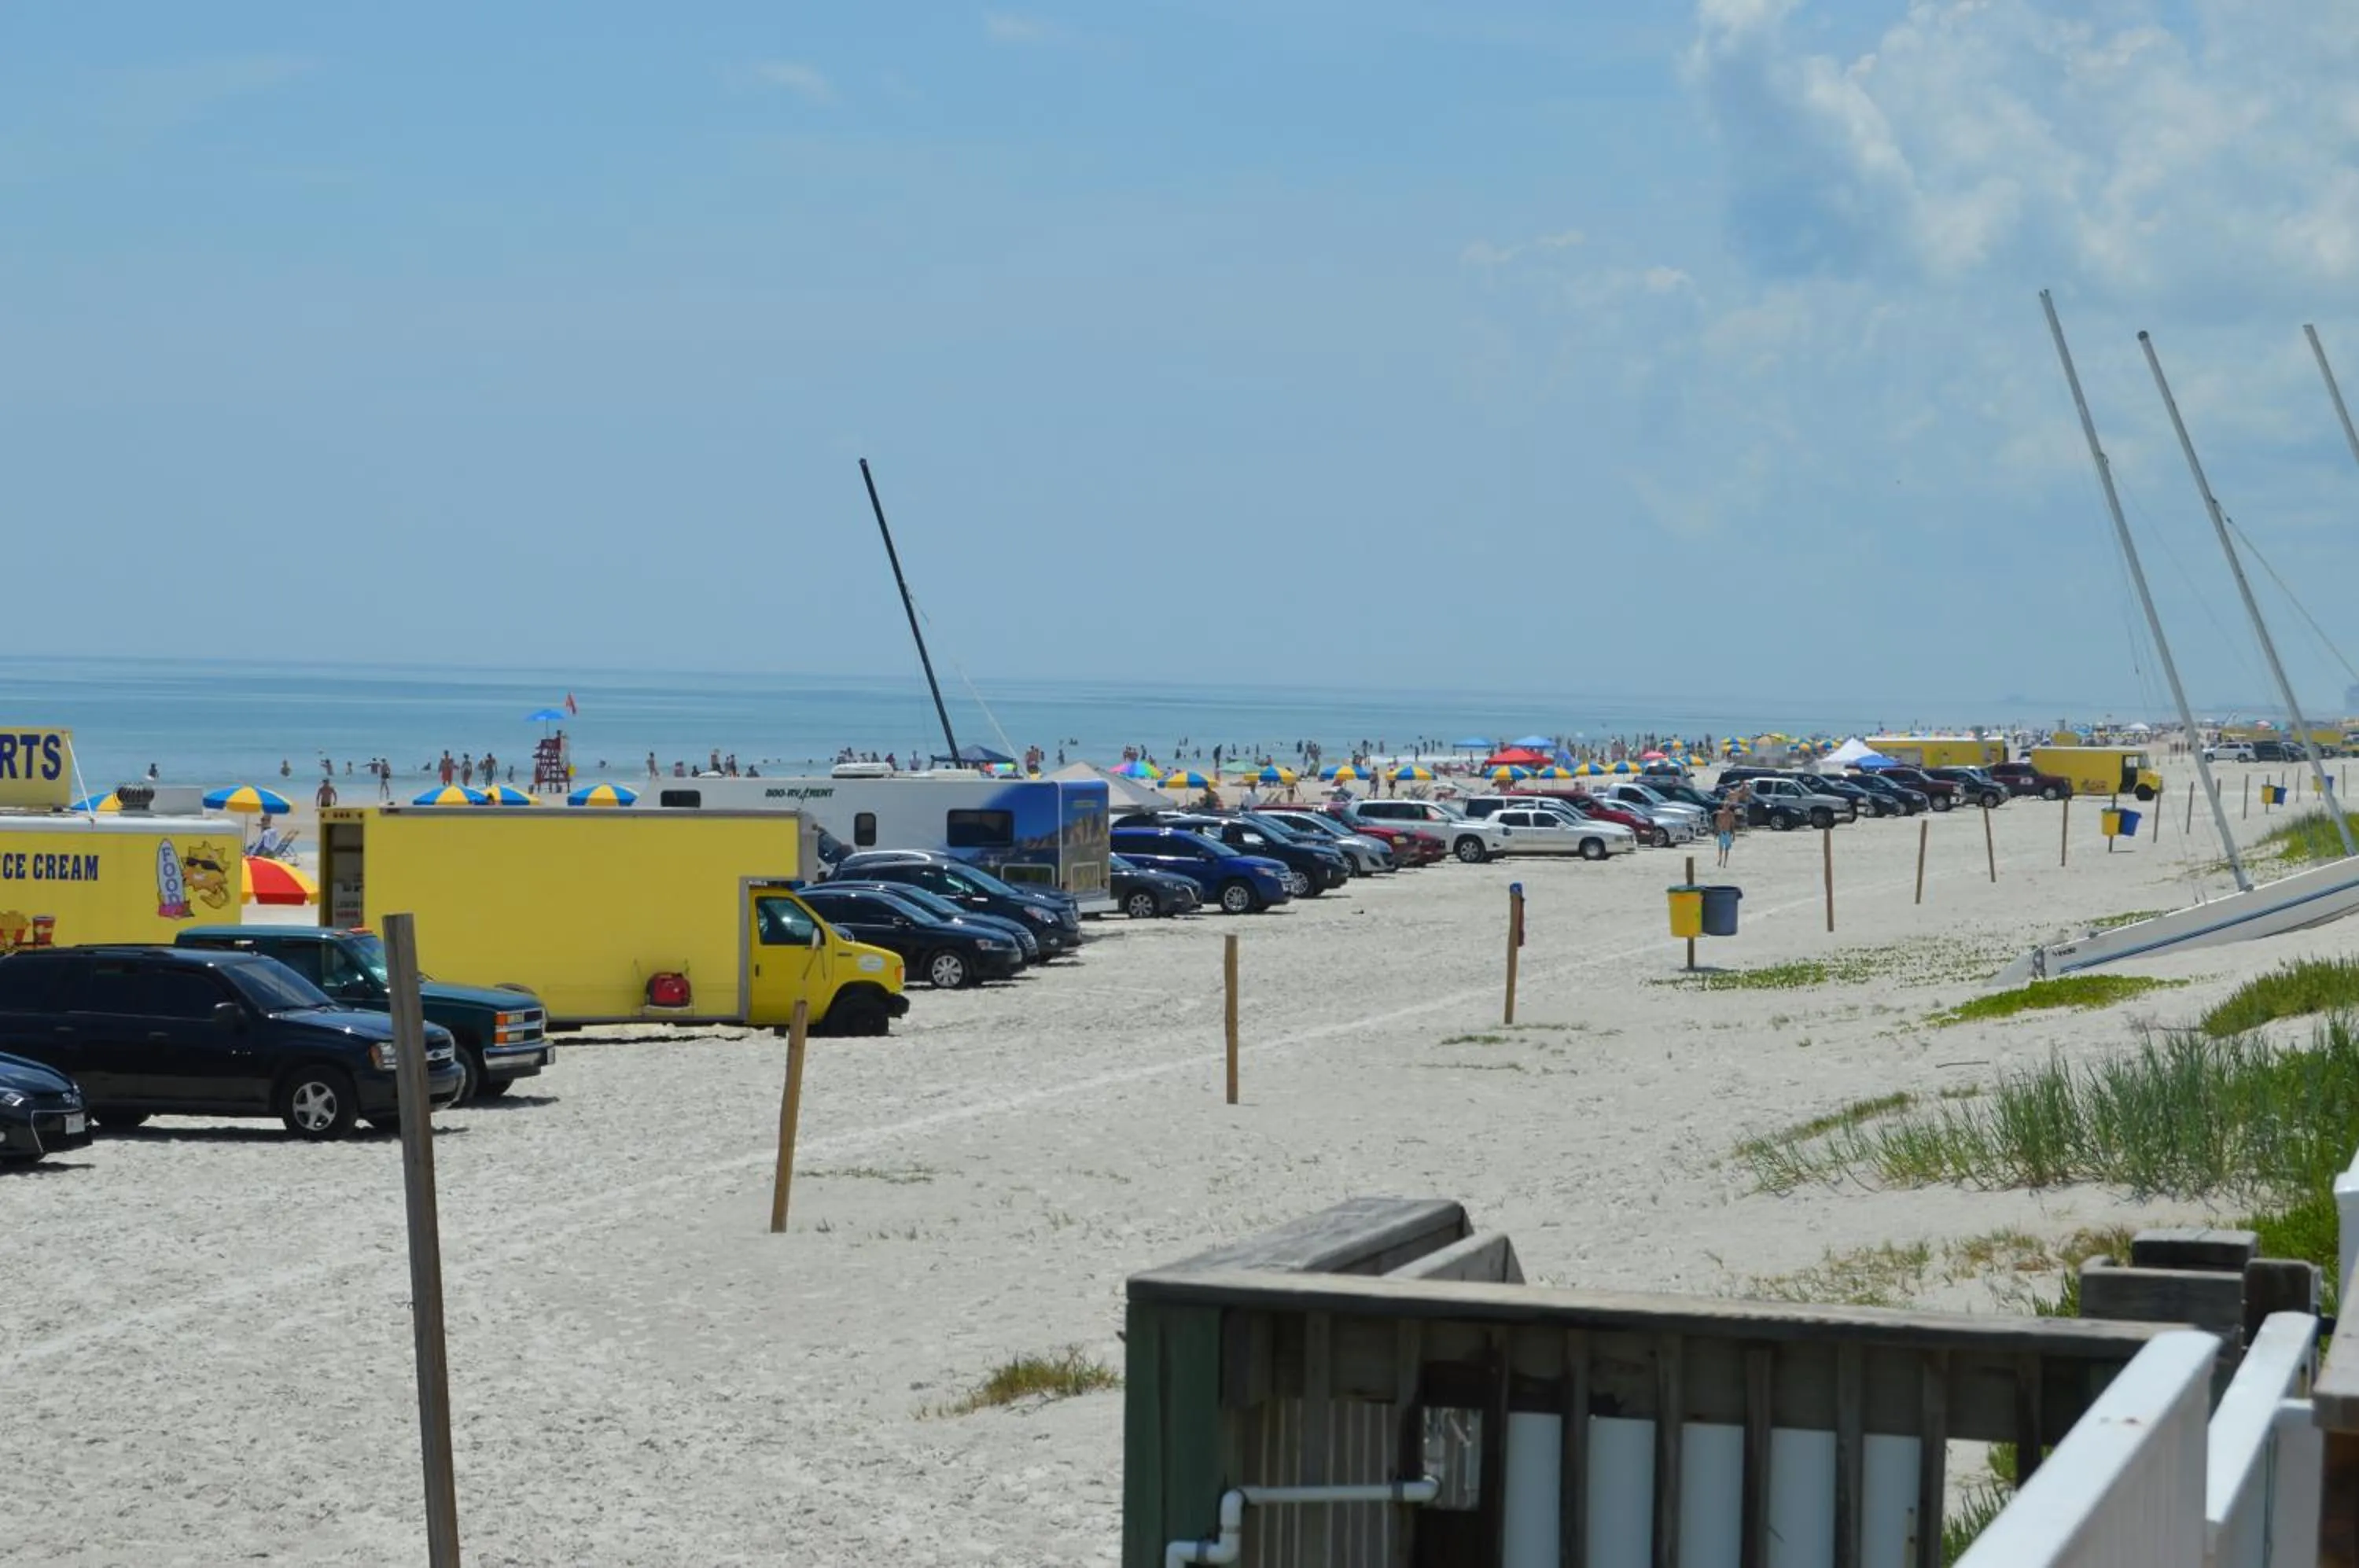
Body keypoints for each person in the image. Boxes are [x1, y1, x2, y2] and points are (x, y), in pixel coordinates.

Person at [1714, 796, 1737, 868]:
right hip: (1722, 832)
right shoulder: (1720, 814)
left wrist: (1734, 835)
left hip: (1728, 833)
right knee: (1721, 847)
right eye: (1725, 806)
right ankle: (1720, 859)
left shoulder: (1730, 815)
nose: (1726, 808)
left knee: (1727, 848)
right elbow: (1717, 823)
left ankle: (1725, 862)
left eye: (1727, 806)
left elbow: (1733, 825)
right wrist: (1717, 831)